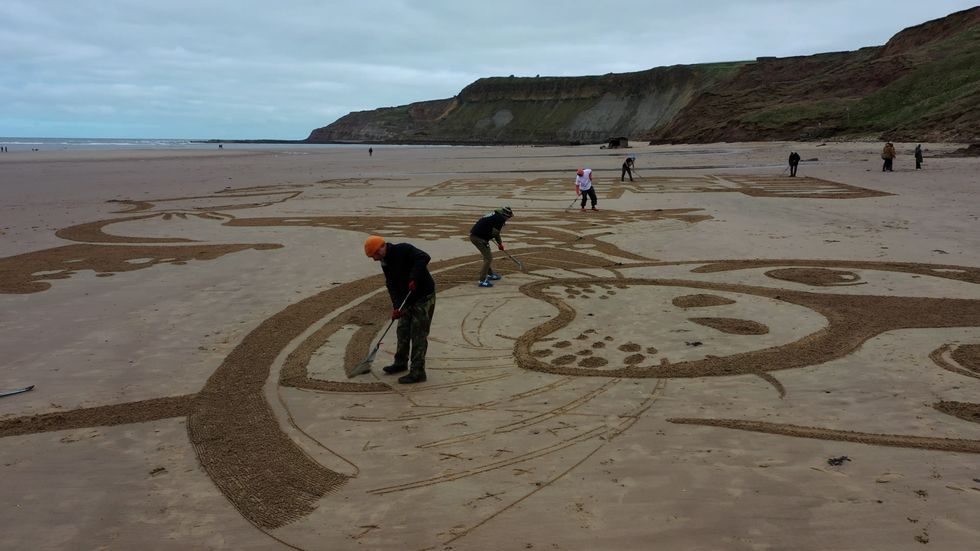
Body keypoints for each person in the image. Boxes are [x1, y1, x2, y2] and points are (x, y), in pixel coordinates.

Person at [364, 235, 436, 384]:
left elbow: (424, 257)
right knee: (402, 330)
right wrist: (397, 306)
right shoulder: (385, 262)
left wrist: (414, 277)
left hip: (423, 297)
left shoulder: (404, 249)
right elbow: (391, 284)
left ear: (381, 247)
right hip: (407, 299)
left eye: (375, 255)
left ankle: (418, 372)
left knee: (418, 335)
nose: (375, 259)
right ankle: (400, 363)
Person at [469, 206, 513, 287]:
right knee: (488, 258)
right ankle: (482, 280)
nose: (508, 219)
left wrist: (497, 242)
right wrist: (499, 244)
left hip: (476, 236)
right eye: (508, 217)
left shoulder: (495, 215)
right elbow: (496, 233)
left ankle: (490, 275)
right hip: (478, 238)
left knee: (487, 257)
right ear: (505, 215)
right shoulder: (500, 219)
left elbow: (491, 229)